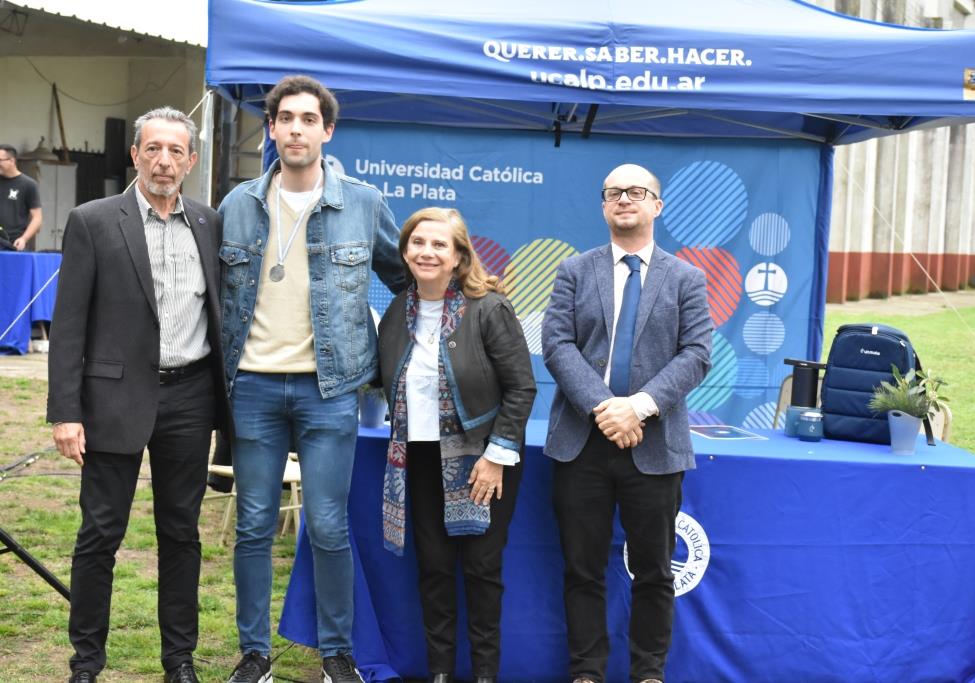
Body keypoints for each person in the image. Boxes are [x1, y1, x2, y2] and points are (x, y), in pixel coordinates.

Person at [217, 74, 405, 683]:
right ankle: (253, 655)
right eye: (285, 119)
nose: (296, 129)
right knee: (252, 524)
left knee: (327, 525)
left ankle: (336, 655)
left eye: (308, 119)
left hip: (330, 390)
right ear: (270, 129)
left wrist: (385, 362)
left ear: (327, 130)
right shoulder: (237, 204)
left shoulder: (364, 203)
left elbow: (408, 280)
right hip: (252, 387)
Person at [46, 107, 230, 683]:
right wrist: (65, 412)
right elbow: (68, 324)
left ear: (191, 161)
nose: (163, 161)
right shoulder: (94, 221)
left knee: (181, 533)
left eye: (176, 151)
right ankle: (87, 663)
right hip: (112, 402)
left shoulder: (210, 223)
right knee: (100, 533)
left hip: (190, 398)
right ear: (135, 154)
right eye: (153, 149)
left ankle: (179, 660)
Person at [542, 164, 713, 683]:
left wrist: (636, 406)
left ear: (656, 205)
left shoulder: (686, 277)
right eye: (613, 192)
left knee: (655, 572)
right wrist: (604, 407)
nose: (623, 199)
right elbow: (556, 344)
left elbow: (698, 354)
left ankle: (648, 673)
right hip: (582, 444)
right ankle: (588, 672)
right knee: (582, 570)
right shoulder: (574, 270)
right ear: (603, 206)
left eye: (636, 192)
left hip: (654, 445)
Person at [377, 207, 535, 683]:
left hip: (482, 458)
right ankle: (440, 674)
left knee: (483, 571)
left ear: (459, 256)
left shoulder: (489, 307)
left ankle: (485, 675)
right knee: (434, 570)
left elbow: (522, 387)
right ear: (404, 252)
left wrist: (496, 456)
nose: (427, 252)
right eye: (418, 243)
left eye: (439, 245)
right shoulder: (395, 312)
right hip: (419, 460)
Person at [0, 143, 42, 250]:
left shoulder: (28, 184)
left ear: (12, 161)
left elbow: (37, 218)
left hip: (13, 244)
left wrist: (24, 239)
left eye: (0, 160)